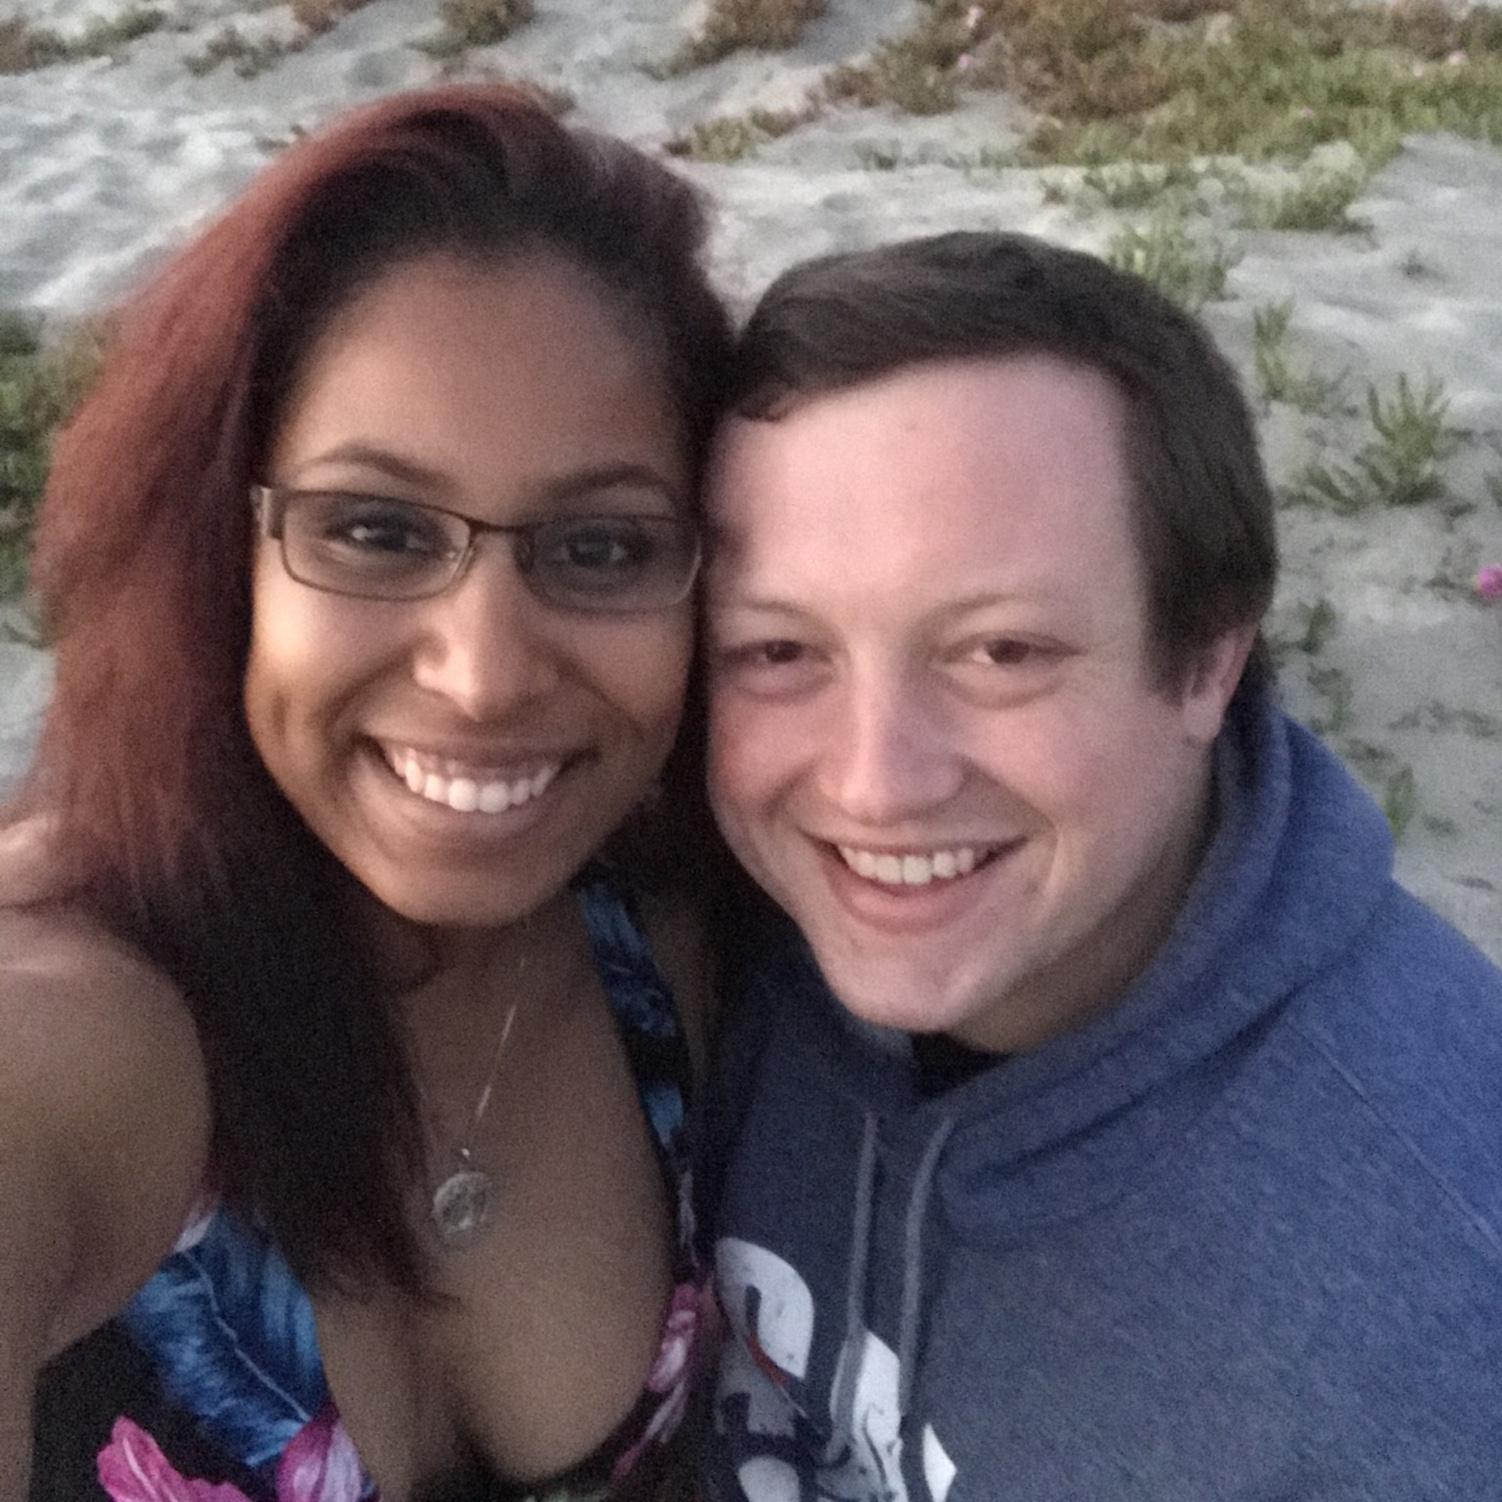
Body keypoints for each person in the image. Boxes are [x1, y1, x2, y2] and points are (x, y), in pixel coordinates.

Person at [0, 84, 734, 1502]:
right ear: (220, 555)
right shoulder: (71, 1033)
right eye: (375, 529)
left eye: (599, 547)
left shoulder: (677, 952)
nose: (484, 675)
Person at [700, 231, 1502, 1500]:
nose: (872, 782)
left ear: (1206, 662)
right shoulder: (694, 948)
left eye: (1002, 652)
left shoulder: (1436, 1333)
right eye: (776, 650)